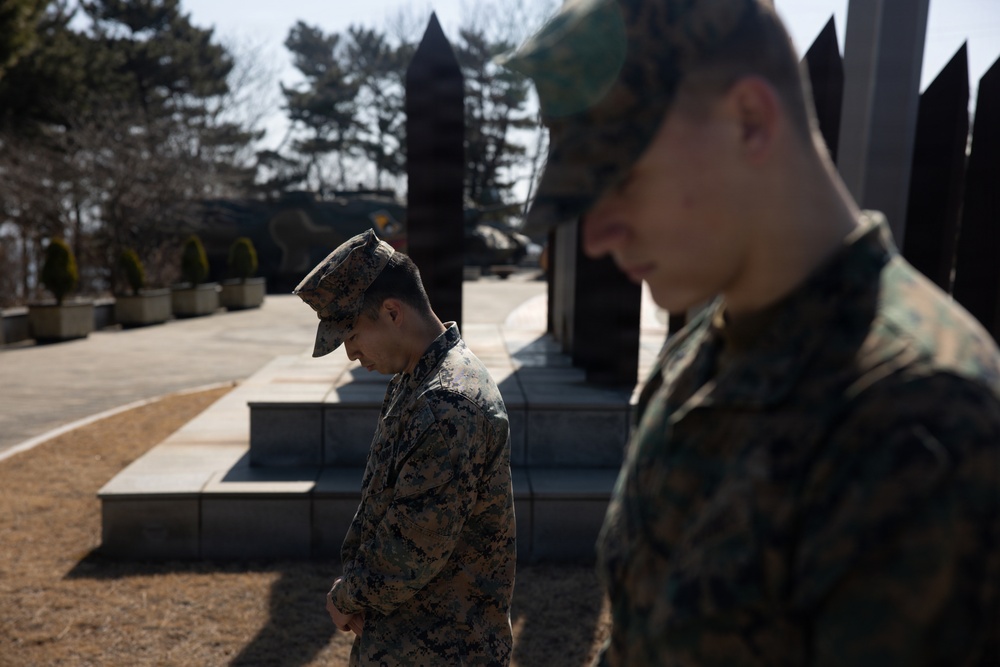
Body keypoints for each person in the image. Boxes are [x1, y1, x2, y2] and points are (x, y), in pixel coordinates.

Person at [501, 0, 1000, 664]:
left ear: (750, 120)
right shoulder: (700, 353)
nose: (594, 235)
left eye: (622, 181)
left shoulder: (924, 420)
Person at [293, 229, 516, 666]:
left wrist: (346, 596)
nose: (351, 354)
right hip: (411, 641)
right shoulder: (416, 381)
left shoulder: (448, 403)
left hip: (442, 650)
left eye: (352, 335)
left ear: (392, 312)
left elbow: (410, 550)